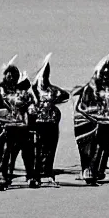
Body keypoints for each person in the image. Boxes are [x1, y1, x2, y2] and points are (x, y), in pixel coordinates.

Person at [0, 56, 36, 190]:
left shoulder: (21, 91)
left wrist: (31, 109)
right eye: (8, 74)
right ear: (4, 75)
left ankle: (31, 176)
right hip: (0, 127)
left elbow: (29, 105)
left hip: (20, 125)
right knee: (5, 147)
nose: (10, 77)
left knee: (28, 145)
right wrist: (0, 119)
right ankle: (1, 174)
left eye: (14, 74)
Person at [73, 53, 109, 186]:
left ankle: (99, 171)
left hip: (108, 121)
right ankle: (90, 173)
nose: (106, 75)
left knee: (105, 146)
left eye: (108, 73)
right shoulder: (91, 87)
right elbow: (83, 105)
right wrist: (94, 113)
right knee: (94, 147)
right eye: (103, 73)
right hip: (92, 123)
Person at [31, 54, 70, 186]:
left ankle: (47, 172)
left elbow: (65, 95)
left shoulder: (52, 89)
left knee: (50, 148)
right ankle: (35, 174)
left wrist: (54, 102)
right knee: (36, 148)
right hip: (36, 122)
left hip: (51, 122)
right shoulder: (33, 90)